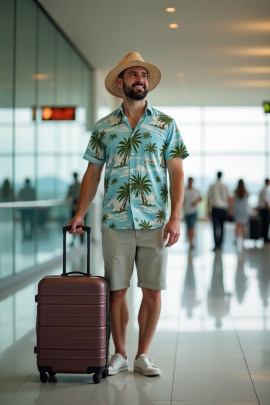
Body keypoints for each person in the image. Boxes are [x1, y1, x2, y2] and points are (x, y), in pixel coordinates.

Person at [66, 51, 189, 377]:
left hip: (155, 222)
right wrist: (79, 213)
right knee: (117, 291)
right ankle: (119, 353)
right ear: (120, 82)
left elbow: (177, 173)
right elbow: (92, 174)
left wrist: (175, 216)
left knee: (152, 290)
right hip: (115, 221)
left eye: (144, 75)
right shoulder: (104, 127)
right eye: (134, 75)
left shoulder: (165, 124)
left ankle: (143, 354)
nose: (140, 80)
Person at [207, 171, 231, 251]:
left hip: (215, 209)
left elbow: (209, 199)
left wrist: (208, 210)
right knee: (222, 227)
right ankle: (220, 244)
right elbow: (229, 198)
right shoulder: (225, 186)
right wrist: (229, 209)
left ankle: (216, 245)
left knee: (215, 227)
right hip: (223, 209)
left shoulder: (212, 186)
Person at [183, 177, 202, 249]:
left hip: (193, 211)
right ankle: (190, 240)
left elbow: (200, 198)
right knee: (188, 227)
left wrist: (196, 202)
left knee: (192, 226)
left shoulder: (196, 191)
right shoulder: (185, 190)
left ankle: (192, 242)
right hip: (186, 211)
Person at [66, 172, 83, 245]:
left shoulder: (72, 186)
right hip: (81, 208)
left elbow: (68, 196)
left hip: (75, 208)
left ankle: (74, 241)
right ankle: (82, 240)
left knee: (73, 225)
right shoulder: (81, 185)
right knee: (80, 225)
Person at [233, 179, 249, 244]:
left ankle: (236, 239)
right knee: (243, 225)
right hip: (244, 209)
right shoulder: (246, 192)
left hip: (237, 209)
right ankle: (243, 239)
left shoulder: (235, 191)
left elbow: (233, 200)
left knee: (237, 225)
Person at [258, 178, 270, 243]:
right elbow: (266, 201)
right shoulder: (264, 190)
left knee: (265, 224)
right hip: (264, 209)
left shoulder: (265, 190)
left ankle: (264, 237)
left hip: (264, 209)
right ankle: (265, 237)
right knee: (265, 224)